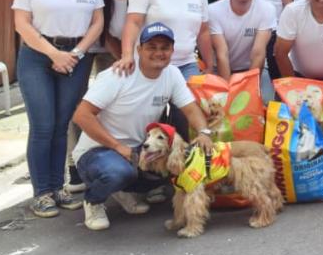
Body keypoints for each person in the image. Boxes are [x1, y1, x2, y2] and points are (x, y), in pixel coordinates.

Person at [71, 22, 215, 231]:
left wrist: (204, 133)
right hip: (97, 152)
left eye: (164, 48)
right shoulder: (117, 75)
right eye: (152, 47)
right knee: (117, 172)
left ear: (172, 51)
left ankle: (122, 190)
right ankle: (93, 201)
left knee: (176, 165)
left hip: (139, 149)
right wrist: (117, 147)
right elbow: (82, 116)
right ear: (139, 50)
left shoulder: (172, 74)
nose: (158, 53)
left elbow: (191, 109)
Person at [11, 0, 104, 218]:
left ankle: (58, 187)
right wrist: (54, 53)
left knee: (62, 125)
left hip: (75, 57)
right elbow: (21, 23)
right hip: (38, 56)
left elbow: (97, 22)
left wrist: (75, 52)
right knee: (42, 126)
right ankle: (41, 192)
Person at [66, 0, 140, 194]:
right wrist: (123, 59)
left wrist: (133, 60)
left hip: (139, 52)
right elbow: (105, 31)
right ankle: (79, 164)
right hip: (104, 49)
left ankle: (134, 163)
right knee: (89, 105)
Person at [209, 0, 277, 99]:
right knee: (218, 105)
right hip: (221, 69)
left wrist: (249, 89)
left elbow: (258, 53)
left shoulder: (267, 9)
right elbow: (222, 54)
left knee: (265, 103)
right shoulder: (213, 10)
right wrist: (228, 91)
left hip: (252, 70)